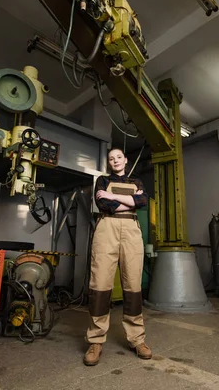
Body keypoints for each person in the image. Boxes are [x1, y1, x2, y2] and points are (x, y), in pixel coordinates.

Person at [83, 148, 152, 366]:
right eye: (111, 158)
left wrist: (113, 196)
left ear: (125, 160)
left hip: (131, 227)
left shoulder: (137, 180)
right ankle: (95, 340)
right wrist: (129, 200)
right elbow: (103, 205)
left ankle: (137, 340)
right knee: (100, 284)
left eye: (119, 157)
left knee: (133, 285)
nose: (115, 160)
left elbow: (143, 202)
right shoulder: (102, 180)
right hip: (106, 228)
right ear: (109, 162)